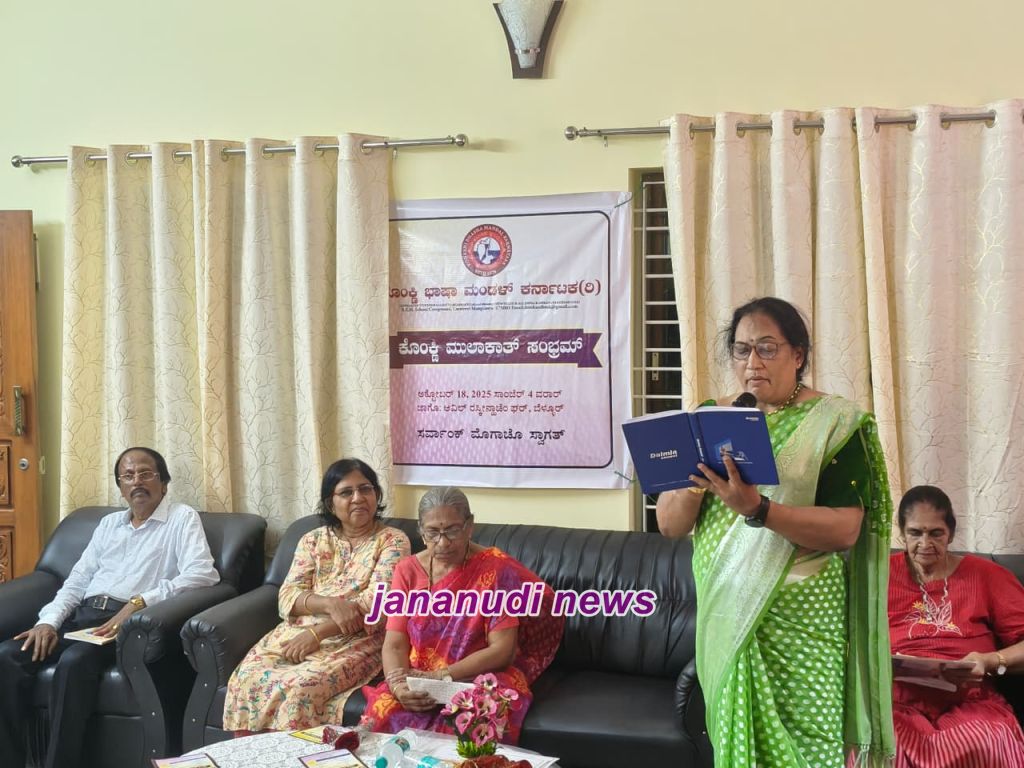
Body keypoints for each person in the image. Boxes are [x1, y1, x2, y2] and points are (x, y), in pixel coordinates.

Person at [656, 296, 894, 768]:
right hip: (727, 613)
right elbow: (669, 525)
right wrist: (695, 482)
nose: (753, 362)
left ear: (798, 355)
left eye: (767, 348)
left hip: (804, 622)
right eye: (742, 350)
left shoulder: (834, 423)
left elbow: (846, 529)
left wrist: (759, 509)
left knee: (809, 747)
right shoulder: (708, 418)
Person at [0, 446, 220, 768]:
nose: (137, 482)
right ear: (120, 486)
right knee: (7, 655)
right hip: (83, 615)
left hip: (127, 624)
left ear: (163, 482)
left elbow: (202, 574)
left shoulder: (181, 518)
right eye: (127, 476)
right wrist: (48, 622)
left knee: (74, 662)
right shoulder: (108, 525)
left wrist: (139, 603)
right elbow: (76, 581)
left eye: (145, 474)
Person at [361, 486, 564, 744]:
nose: (443, 542)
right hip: (419, 677)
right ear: (421, 531)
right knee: (382, 717)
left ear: (470, 526)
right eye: (433, 532)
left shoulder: (495, 569)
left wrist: (440, 676)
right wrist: (399, 687)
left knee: (478, 719)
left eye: (453, 530)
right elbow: (395, 643)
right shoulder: (407, 570)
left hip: (480, 676)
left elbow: (502, 650)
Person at [223, 458, 410, 731]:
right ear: (330, 503)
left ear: (377, 494)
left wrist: (317, 633)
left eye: (365, 489)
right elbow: (288, 595)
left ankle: (299, 754)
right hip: (294, 633)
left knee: (301, 689)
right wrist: (330, 604)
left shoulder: (392, 540)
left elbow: (378, 604)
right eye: (346, 492)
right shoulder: (312, 540)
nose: (358, 498)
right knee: (247, 679)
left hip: (356, 639)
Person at [889, 484, 1024, 766]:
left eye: (935, 533)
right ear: (902, 533)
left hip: (973, 701)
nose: (925, 543)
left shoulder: (987, 575)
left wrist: (989, 660)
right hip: (896, 704)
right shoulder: (880, 575)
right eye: (915, 532)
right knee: (886, 745)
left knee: (986, 741)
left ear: (950, 532)